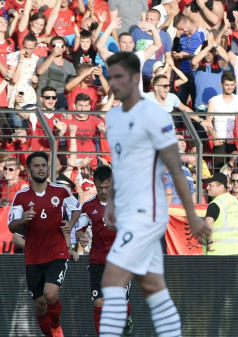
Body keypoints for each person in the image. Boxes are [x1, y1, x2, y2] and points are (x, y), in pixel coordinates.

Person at [99, 51, 210, 337]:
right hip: (128, 211)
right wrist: (111, 201)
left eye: (119, 77)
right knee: (152, 287)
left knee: (112, 281)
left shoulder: (154, 116)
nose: (114, 83)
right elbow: (121, 167)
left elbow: (175, 169)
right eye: (111, 77)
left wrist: (192, 217)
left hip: (148, 212)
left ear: (136, 78)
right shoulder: (113, 118)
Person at [8, 151, 82, 337]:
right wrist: (22, 219)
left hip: (57, 252)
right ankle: (50, 335)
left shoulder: (61, 191)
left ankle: (56, 327)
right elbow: (11, 227)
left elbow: (77, 209)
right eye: (36, 166)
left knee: (50, 294)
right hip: (33, 256)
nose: (41, 169)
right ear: (28, 170)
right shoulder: (21, 196)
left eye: (43, 165)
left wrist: (70, 225)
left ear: (48, 168)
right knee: (40, 305)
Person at [75, 166, 134, 336]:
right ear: (95, 185)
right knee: (100, 302)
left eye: (107, 187)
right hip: (97, 260)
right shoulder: (88, 206)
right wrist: (81, 238)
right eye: (100, 187)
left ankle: (126, 316)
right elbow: (79, 230)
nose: (103, 191)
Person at [203, 172, 238, 254]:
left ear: (221, 187)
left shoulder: (215, 204)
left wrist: (209, 242)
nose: (207, 188)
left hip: (217, 252)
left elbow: (209, 221)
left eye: (210, 185)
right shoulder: (236, 202)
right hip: (236, 251)